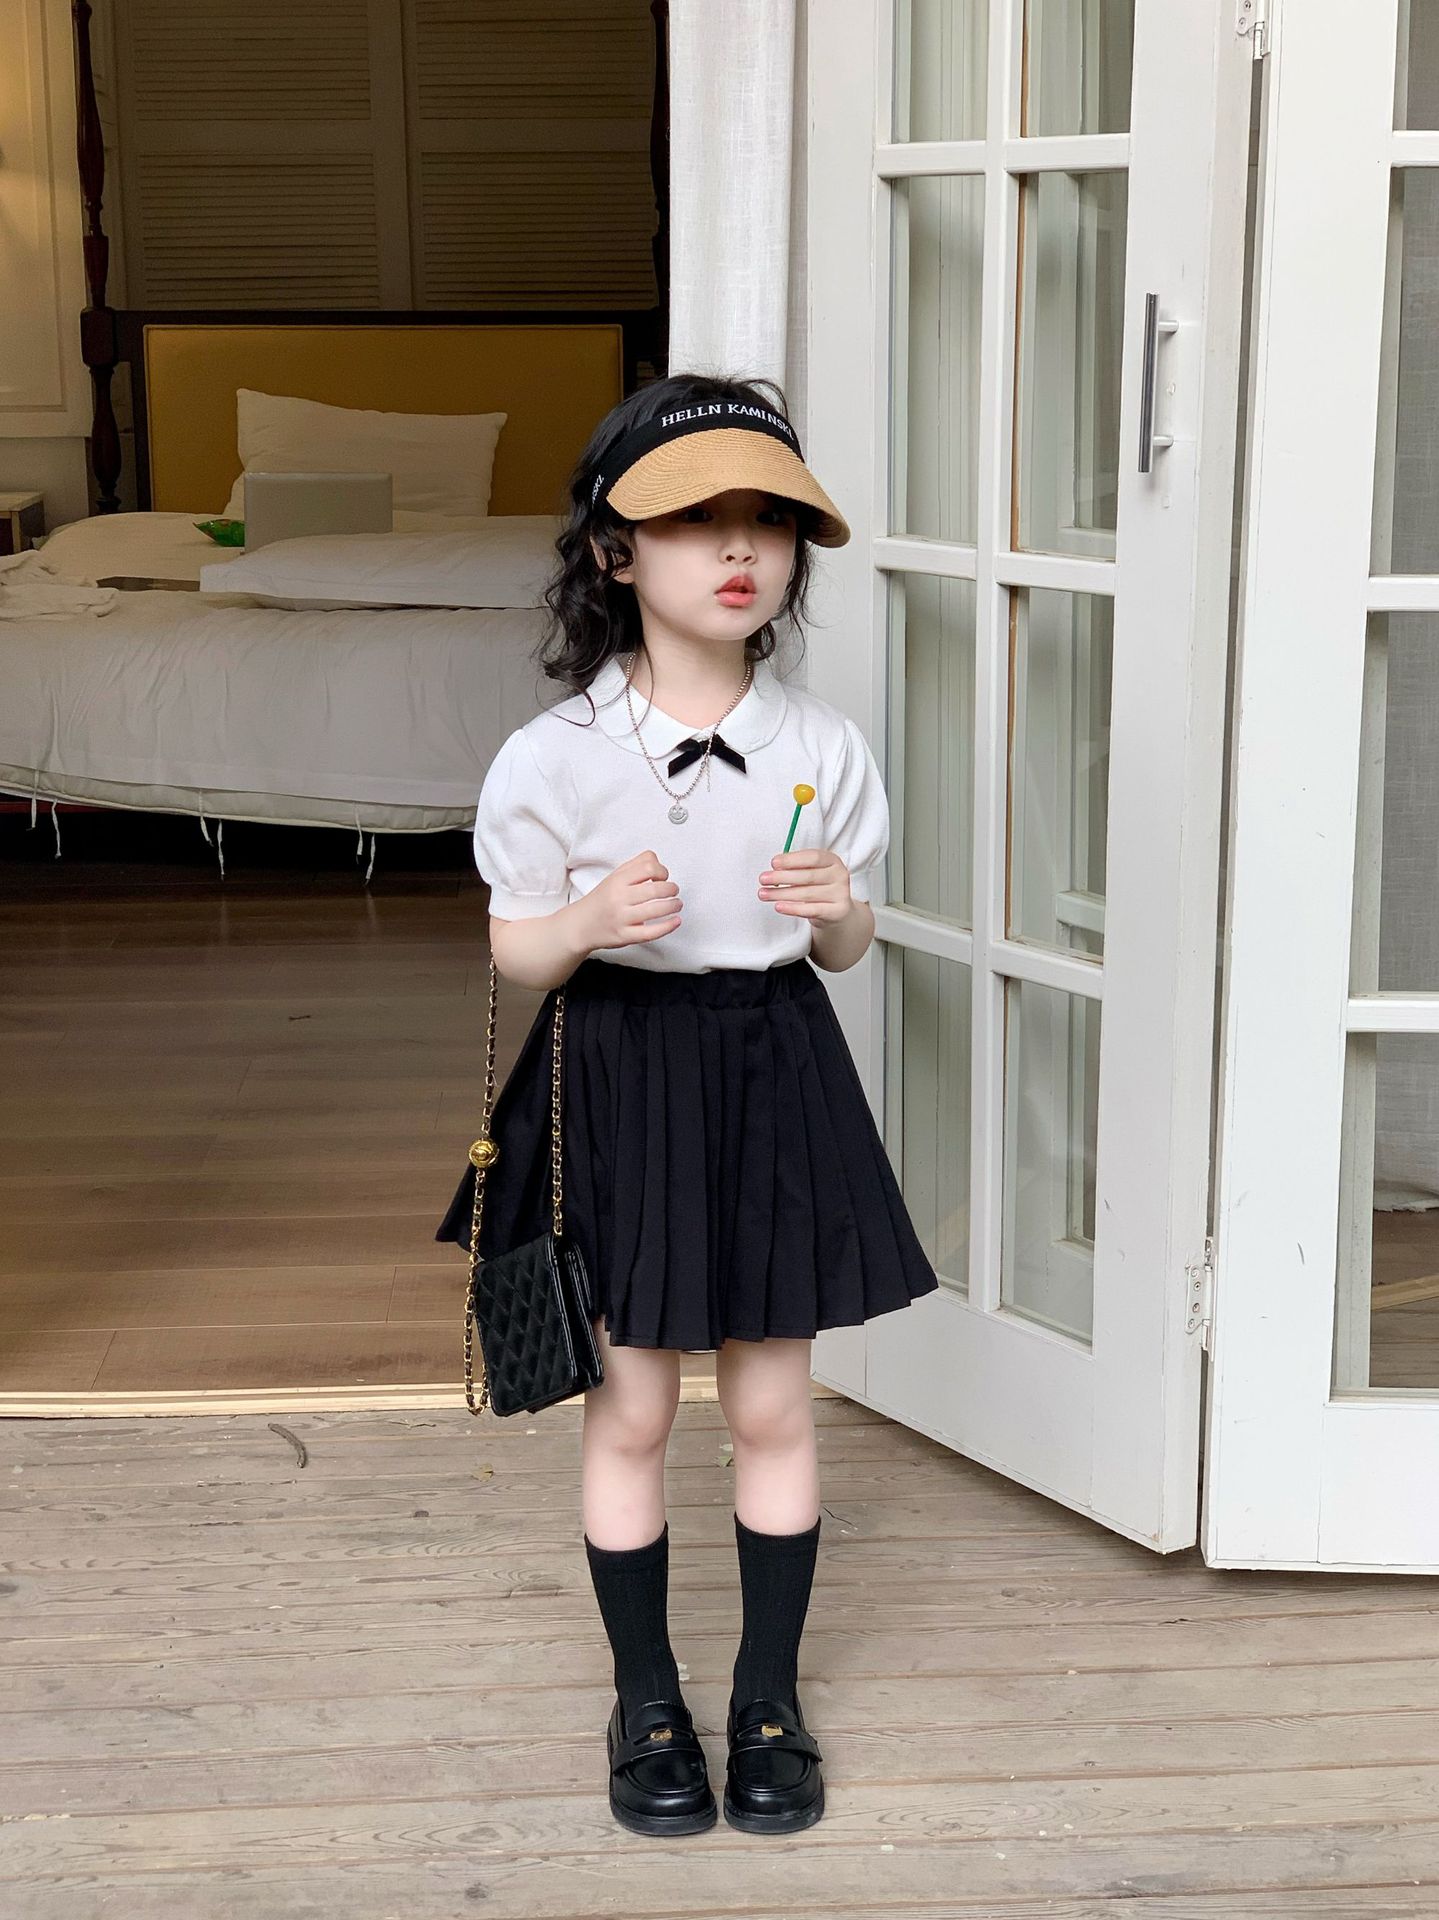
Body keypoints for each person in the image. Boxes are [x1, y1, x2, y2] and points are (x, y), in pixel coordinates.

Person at [434, 370, 939, 1838]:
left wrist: (840, 909)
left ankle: (767, 1698)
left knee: (773, 1400)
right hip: (622, 1070)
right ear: (614, 553)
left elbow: (842, 950)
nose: (738, 549)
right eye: (691, 520)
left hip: (773, 1064)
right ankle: (645, 1697)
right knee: (637, 1403)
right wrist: (589, 920)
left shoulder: (820, 748)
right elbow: (515, 951)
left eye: (767, 523)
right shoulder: (556, 757)